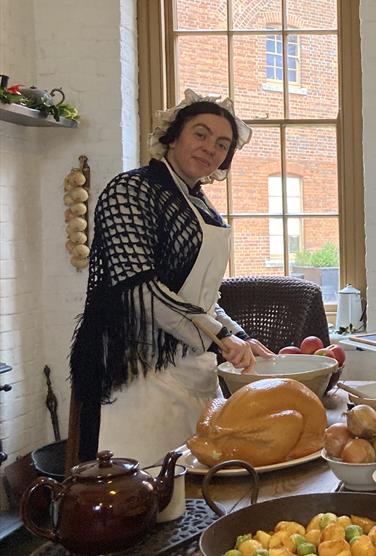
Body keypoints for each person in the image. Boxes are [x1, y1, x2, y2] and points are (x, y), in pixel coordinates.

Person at [70, 89, 274, 465]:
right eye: (200, 133)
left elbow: (203, 297)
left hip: (194, 373)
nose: (210, 147)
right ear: (172, 136)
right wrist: (220, 337)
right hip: (136, 373)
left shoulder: (203, 208)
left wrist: (239, 335)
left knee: (193, 483)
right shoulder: (130, 191)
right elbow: (138, 289)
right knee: (137, 491)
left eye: (222, 143)